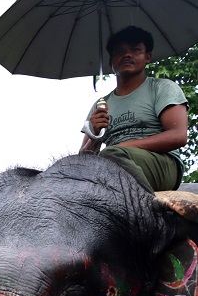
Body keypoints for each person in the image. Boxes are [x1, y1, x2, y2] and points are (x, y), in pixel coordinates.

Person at [80, 26, 189, 192]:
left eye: (135, 50)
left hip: (161, 164)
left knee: (112, 156)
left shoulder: (161, 88)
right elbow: (83, 158)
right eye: (120, 51)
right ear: (111, 62)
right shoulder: (101, 104)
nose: (127, 55)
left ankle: (145, 206)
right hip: (111, 163)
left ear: (148, 57)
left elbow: (179, 136)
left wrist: (127, 146)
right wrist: (95, 135)